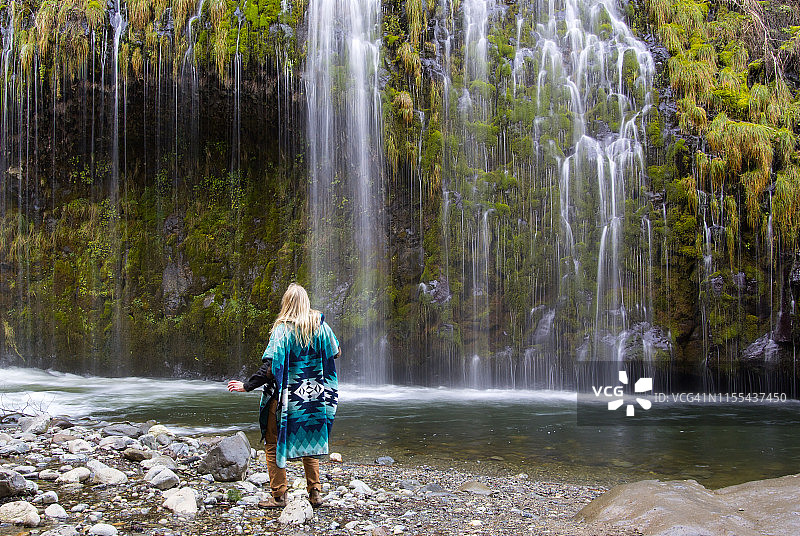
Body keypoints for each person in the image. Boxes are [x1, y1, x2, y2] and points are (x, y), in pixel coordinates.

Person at [228, 283, 340, 508]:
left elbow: (270, 368)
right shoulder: (321, 327)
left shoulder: (282, 331)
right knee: (311, 442)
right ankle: (315, 493)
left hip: (287, 399)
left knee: (272, 443)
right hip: (313, 398)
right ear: (306, 302)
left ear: (286, 304)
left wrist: (247, 385)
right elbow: (335, 352)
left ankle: (279, 495)